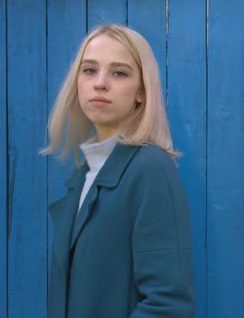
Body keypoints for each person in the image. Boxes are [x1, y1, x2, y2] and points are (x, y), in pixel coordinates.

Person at [42, 24, 194, 318]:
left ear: (141, 92)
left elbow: (167, 306)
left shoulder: (150, 169)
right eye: (89, 70)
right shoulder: (86, 175)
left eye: (119, 72)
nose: (100, 83)